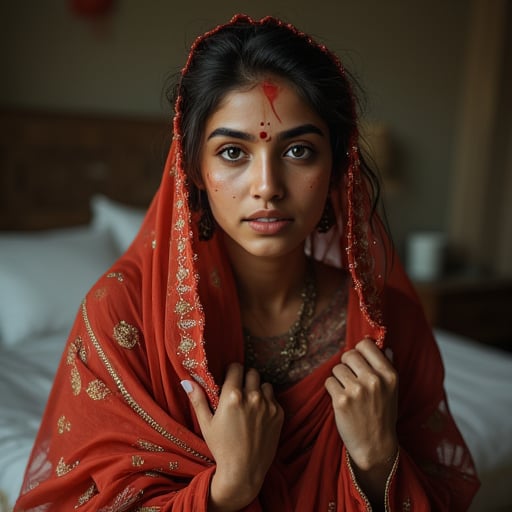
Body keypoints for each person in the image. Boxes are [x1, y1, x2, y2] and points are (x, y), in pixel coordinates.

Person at [15, 14, 479, 511]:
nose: (267, 186)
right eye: (233, 152)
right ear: (194, 168)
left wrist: (377, 460)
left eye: (299, 150)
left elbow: (443, 487)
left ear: (337, 166)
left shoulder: (391, 327)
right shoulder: (123, 315)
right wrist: (227, 488)